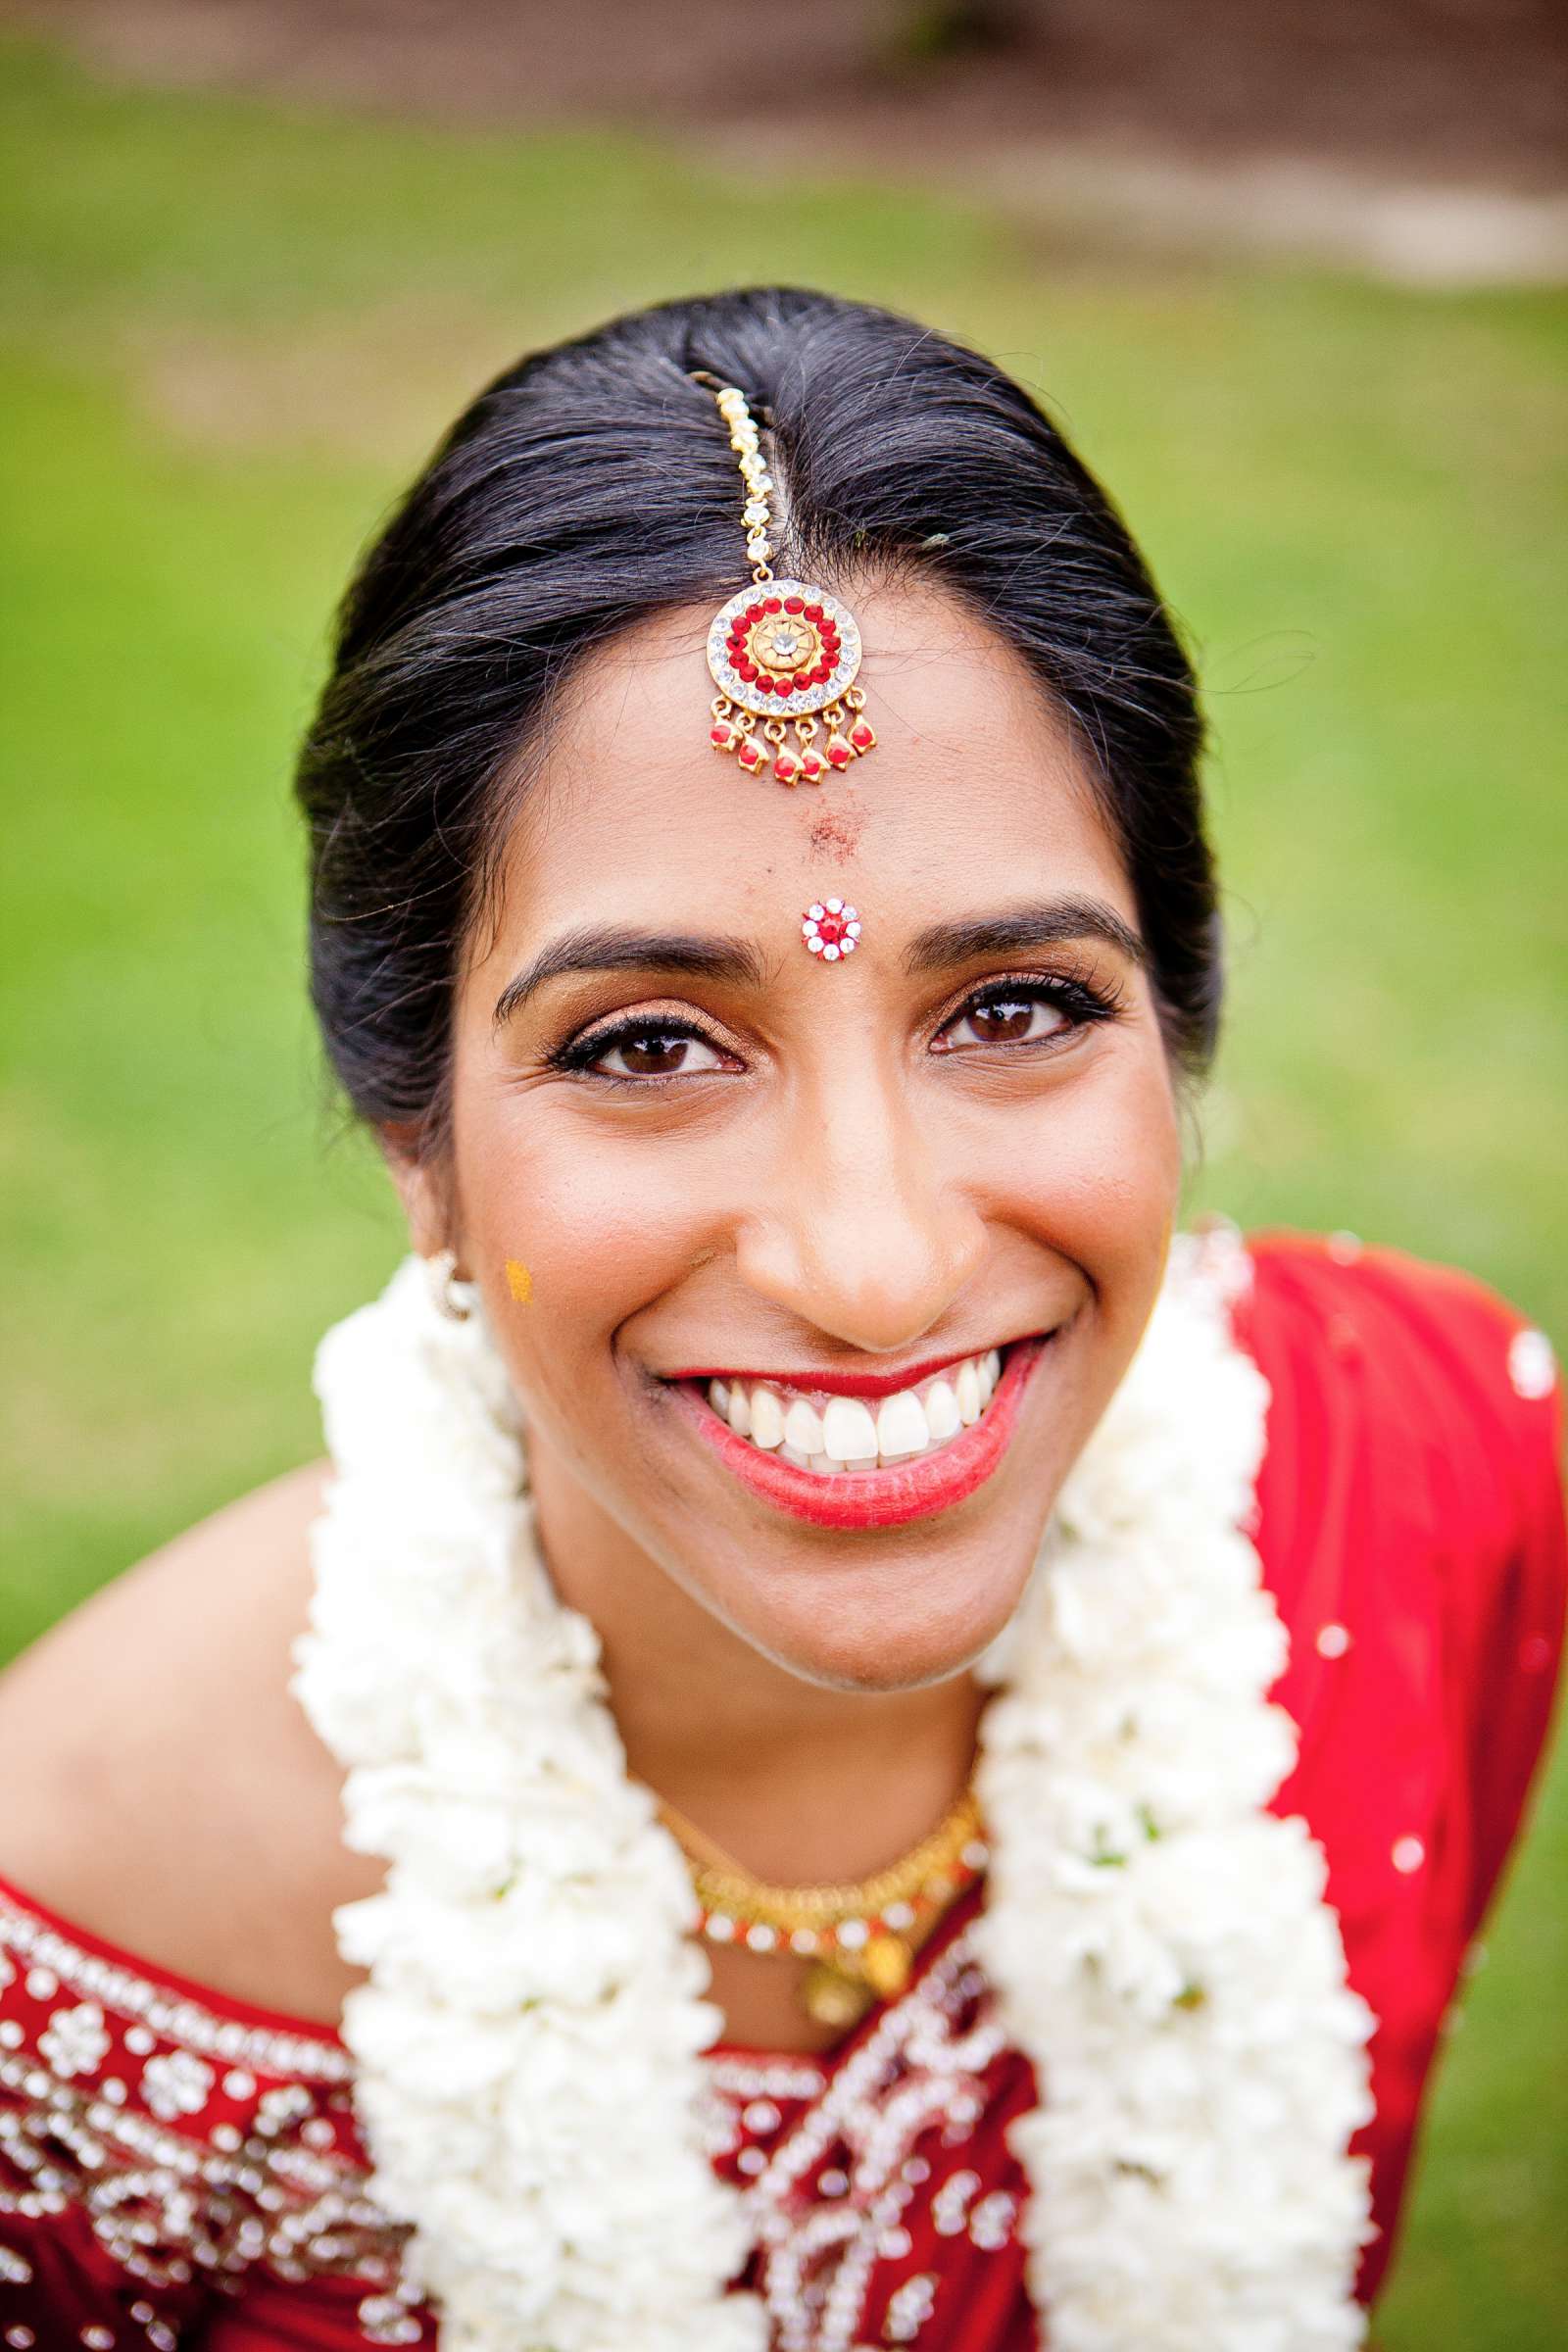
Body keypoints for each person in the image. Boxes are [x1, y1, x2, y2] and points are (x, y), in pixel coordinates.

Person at [0, 287, 1561, 2352]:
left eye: (1012, 1010)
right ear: (417, 1136)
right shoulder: (73, 1945)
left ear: (1169, 1036)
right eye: (647, 1044)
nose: (875, 1266)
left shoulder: (1415, 1477)